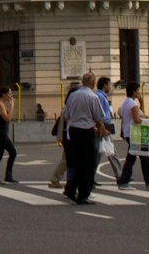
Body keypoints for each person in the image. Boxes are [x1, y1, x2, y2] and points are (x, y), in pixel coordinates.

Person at [62, 70, 107, 204]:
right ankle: (83, 194)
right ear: (93, 83)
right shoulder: (93, 97)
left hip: (74, 130)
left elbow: (66, 115)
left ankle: (71, 188)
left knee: (78, 161)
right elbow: (98, 117)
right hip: (86, 130)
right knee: (88, 164)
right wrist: (102, 130)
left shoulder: (73, 95)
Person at [117, 82, 149, 188]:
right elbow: (137, 119)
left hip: (128, 132)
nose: (139, 92)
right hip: (134, 133)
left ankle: (148, 181)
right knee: (141, 157)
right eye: (138, 90)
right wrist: (145, 120)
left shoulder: (126, 102)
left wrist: (141, 102)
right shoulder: (132, 104)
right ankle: (148, 182)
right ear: (134, 92)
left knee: (133, 157)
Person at [48, 79, 78, 189]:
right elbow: (62, 123)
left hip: (70, 135)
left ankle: (59, 179)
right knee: (66, 160)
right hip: (68, 136)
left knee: (67, 160)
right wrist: (60, 137)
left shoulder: (70, 105)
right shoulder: (67, 107)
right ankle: (55, 179)